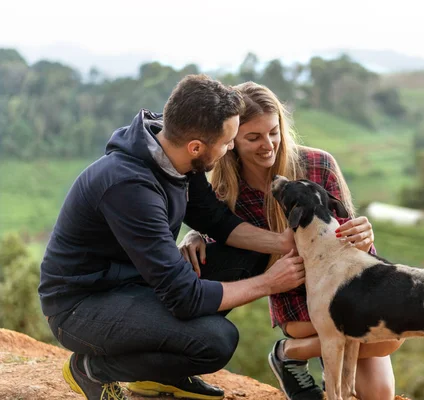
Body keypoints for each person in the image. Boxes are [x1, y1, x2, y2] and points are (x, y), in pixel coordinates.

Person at [38, 74, 308, 400]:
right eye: (226, 143)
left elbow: (215, 220)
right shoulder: (129, 187)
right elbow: (184, 297)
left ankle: (166, 377)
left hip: (135, 286)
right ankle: (92, 369)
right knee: (215, 340)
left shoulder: (175, 153)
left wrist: (281, 243)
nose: (227, 151)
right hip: (82, 307)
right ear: (196, 146)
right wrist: (270, 283)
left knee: (246, 255)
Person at [176, 82, 402, 400]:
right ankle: (307, 348)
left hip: (344, 290)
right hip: (297, 297)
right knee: (377, 338)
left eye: (273, 132)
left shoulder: (318, 165)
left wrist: (363, 237)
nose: (267, 144)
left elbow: (348, 237)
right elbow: (218, 232)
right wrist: (195, 233)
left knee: (382, 378)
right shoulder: (227, 190)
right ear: (231, 141)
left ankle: (291, 353)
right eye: (253, 137)